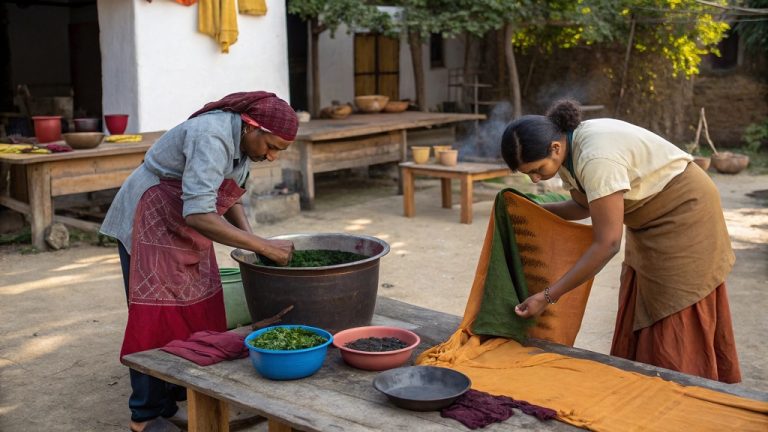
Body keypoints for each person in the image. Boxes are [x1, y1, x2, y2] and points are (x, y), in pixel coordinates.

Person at [502, 99, 741, 383]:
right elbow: (585, 205)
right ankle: (645, 382)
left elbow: (607, 243)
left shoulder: (595, 158)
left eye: (536, 169)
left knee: (674, 304)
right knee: (646, 298)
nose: (534, 179)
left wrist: (547, 296)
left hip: (687, 212)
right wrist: (531, 208)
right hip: (648, 219)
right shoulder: (568, 149)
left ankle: (680, 389)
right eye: (529, 173)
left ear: (555, 148)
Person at [100, 91, 298, 432]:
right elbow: (200, 214)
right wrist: (263, 246)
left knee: (198, 309)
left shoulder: (246, 144)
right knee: (156, 315)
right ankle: (146, 415)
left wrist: (253, 244)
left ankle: (180, 395)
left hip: (186, 221)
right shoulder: (211, 136)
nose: (273, 156)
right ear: (252, 126)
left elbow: (228, 192)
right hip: (151, 218)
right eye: (272, 146)